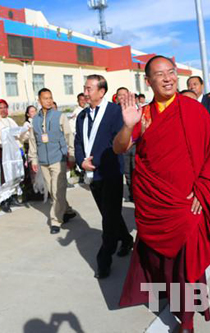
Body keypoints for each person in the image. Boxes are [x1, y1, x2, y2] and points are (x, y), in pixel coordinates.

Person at [114, 56, 210, 333]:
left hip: (188, 202)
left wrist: (203, 192)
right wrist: (127, 126)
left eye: (171, 73)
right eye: (159, 74)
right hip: (155, 201)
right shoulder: (141, 115)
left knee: (187, 265)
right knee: (161, 262)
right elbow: (119, 148)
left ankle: (187, 321)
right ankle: (171, 300)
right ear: (148, 81)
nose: (167, 78)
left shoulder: (193, 110)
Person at [74, 74, 134, 279]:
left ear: (101, 91)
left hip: (111, 173)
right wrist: (81, 160)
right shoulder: (82, 116)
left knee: (108, 219)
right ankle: (126, 240)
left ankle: (104, 258)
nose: (85, 92)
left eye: (89, 88)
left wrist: (97, 160)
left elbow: (119, 143)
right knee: (110, 214)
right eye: (85, 88)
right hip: (92, 174)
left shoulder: (115, 112)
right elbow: (78, 142)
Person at [29, 88, 76, 234]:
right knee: (53, 190)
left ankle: (55, 220)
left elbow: (69, 136)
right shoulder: (35, 120)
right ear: (39, 100)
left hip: (58, 158)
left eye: (50, 98)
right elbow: (33, 140)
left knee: (57, 189)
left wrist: (71, 155)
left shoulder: (59, 116)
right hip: (43, 160)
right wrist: (33, 159)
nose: (48, 101)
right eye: (45, 98)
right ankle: (67, 210)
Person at [0, 99, 25, 213]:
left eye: (5, 107)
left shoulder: (11, 120)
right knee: (3, 177)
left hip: (13, 153)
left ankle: (12, 197)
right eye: (0, 108)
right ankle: (3, 201)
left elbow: (17, 133)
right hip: (2, 152)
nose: (3, 110)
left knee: (13, 175)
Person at [116, 87, 135, 202]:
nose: (122, 97)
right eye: (119, 95)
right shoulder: (114, 110)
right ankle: (131, 193)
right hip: (122, 146)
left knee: (135, 170)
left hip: (134, 144)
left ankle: (137, 193)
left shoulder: (135, 108)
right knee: (127, 171)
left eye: (124, 94)